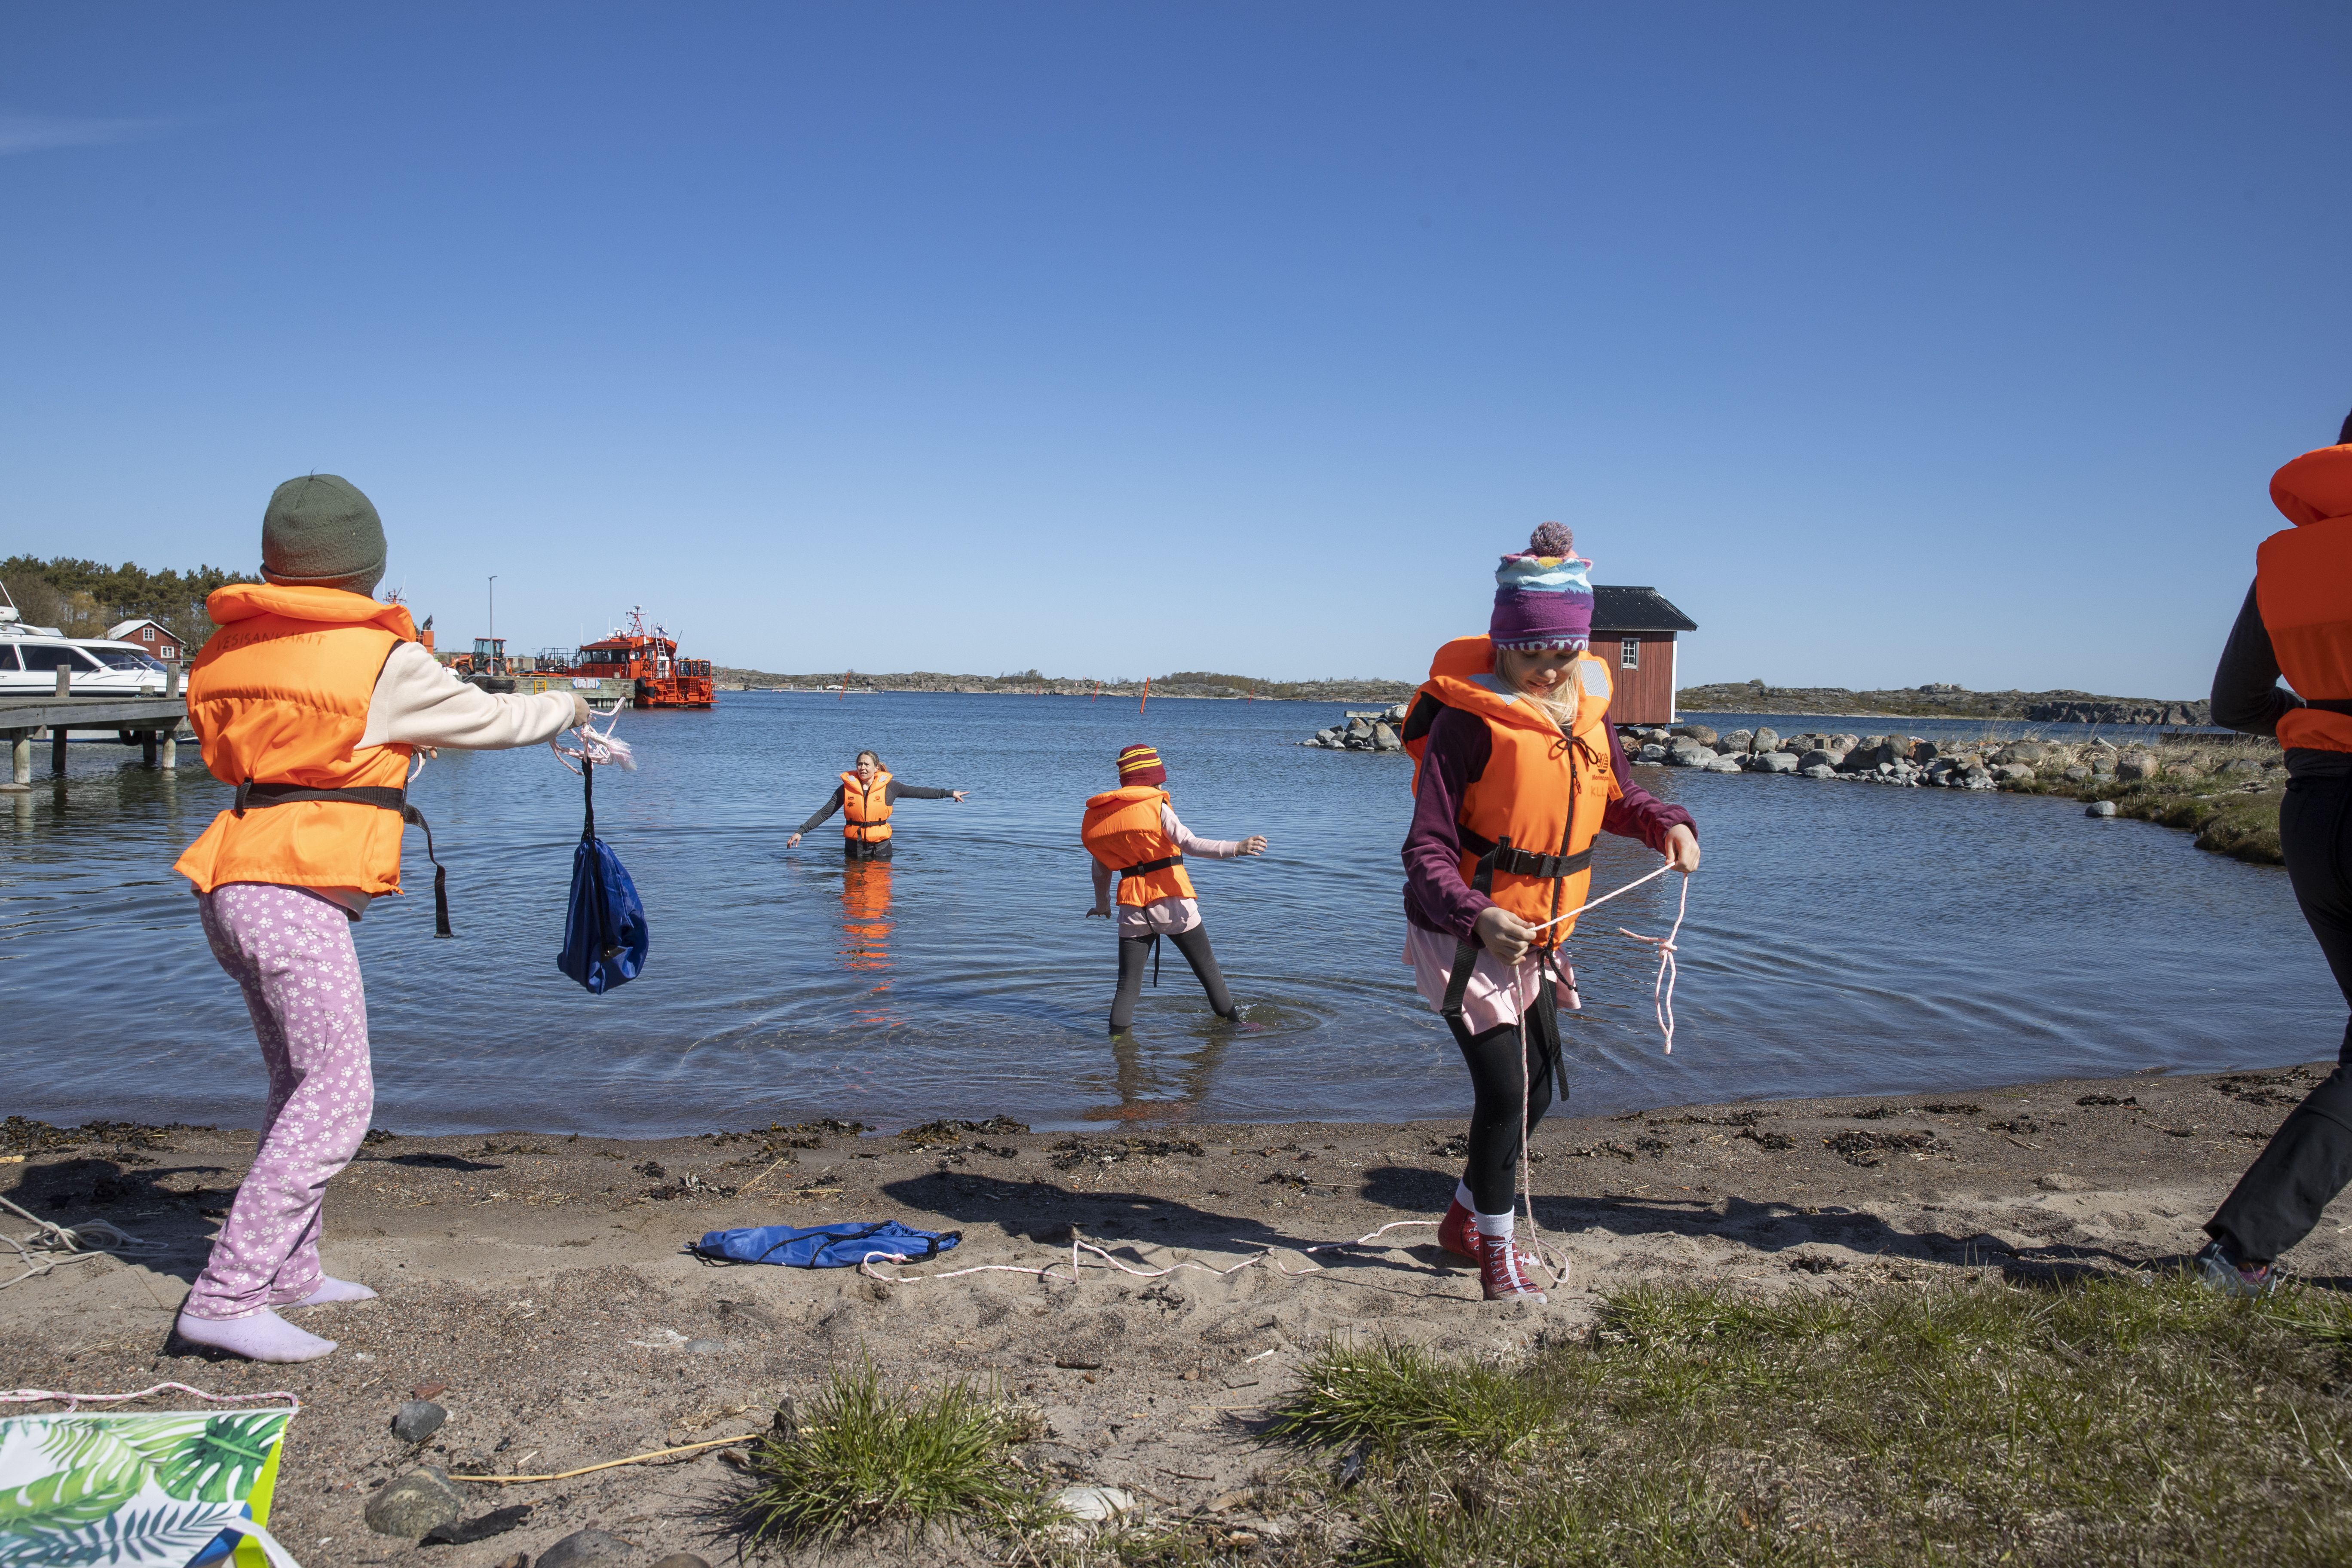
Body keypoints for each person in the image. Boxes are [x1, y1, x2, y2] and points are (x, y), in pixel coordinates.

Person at [170, 475, 591, 1363]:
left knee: (297, 1084)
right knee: (339, 1095)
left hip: (233, 881)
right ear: (369, 569)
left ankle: (290, 1272)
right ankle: (228, 1294)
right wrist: (568, 707)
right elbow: (497, 718)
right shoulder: (380, 662)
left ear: (272, 565)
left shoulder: (225, 653)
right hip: (294, 894)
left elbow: (270, 751)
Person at [1400, 522, 1701, 1303]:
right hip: (1463, 935)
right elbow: (1425, 853)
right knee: (1504, 1093)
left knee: (1538, 1089)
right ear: (1502, 643)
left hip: (1541, 934)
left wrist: (1667, 823)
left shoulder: (1588, 718)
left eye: (1564, 651)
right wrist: (1475, 914)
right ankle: (1498, 1257)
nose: (1549, 666)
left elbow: (1621, 800)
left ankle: (1464, 1217)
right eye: (1532, 651)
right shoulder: (1466, 725)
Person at [2197, 408, 2352, 1296]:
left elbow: (2233, 700)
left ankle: (2244, 1250)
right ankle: (2240, 1250)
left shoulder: (2285, 560)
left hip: (2315, 809)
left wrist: (2310, 725)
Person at [1082, 743, 1266, 1033]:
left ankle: (1118, 1045)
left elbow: (1101, 868)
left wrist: (1103, 904)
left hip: (1132, 906)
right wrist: (1236, 847)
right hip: (1172, 900)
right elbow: (1190, 844)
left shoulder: (1105, 817)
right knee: (1209, 972)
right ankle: (1238, 1027)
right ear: (1154, 779)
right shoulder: (1158, 805)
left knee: (1127, 986)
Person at [786, 750, 966, 860]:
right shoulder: (846, 789)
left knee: (879, 893)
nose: (862, 768)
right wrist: (801, 831)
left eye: (866, 764)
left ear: (876, 768)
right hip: (853, 847)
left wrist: (949, 793)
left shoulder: (891, 788)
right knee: (852, 894)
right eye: (859, 764)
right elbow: (825, 812)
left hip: (881, 848)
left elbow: (919, 792)